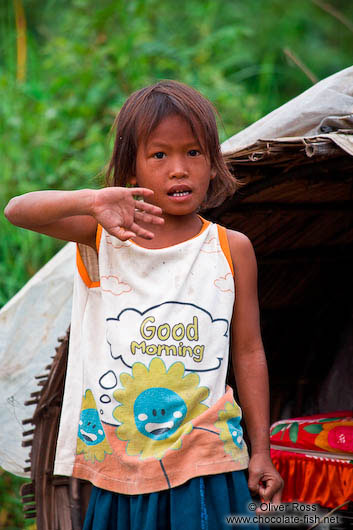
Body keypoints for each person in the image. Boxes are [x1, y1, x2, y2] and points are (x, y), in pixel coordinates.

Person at [4, 80, 283, 530]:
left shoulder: (232, 249)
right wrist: (92, 201)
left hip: (209, 458)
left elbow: (249, 352)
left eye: (194, 153)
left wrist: (262, 451)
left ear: (213, 164)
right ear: (131, 171)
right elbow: (18, 210)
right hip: (122, 461)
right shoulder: (106, 238)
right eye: (159, 155)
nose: (179, 169)